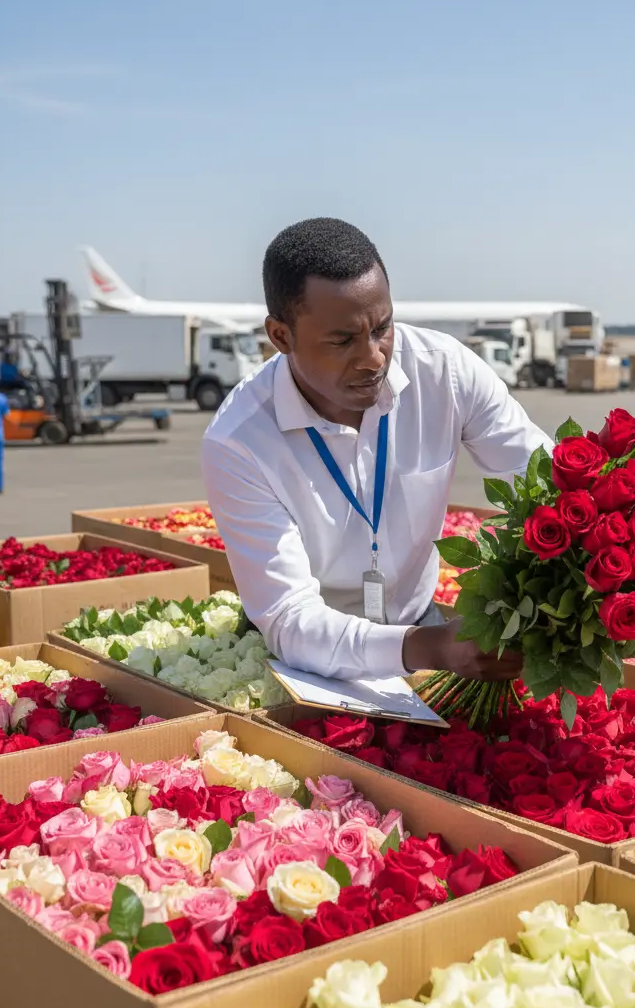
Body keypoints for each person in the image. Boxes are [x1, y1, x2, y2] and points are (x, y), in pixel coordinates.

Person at [201, 217, 552, 682]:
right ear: (281, 336)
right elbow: (289, 618)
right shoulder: (239, 441)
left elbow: (547, 483)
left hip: (422, 626)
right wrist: (429, 647)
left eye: (382, 327)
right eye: (343, 340)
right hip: (306, 659)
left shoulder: (444, 371)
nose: (374, 358)